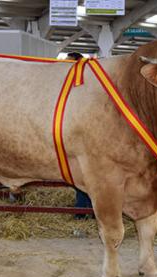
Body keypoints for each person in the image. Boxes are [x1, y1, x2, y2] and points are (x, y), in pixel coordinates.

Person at [65, 52, 94, 220]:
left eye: (70, 64)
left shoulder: (82, 85)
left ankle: (83, 212)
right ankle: (83, 211)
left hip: (85, 136)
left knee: (86, 175)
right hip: (76, 135)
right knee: (81, 175)